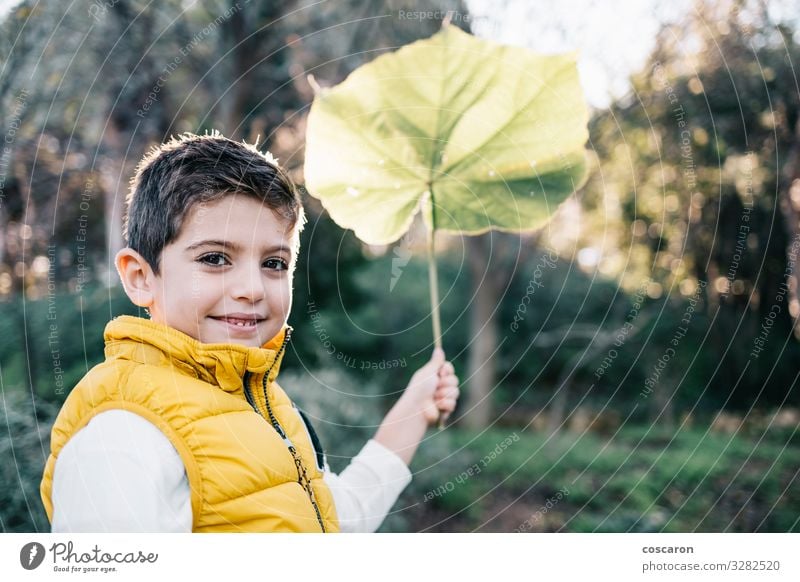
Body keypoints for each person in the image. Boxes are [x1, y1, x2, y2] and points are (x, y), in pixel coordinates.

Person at [39, 132, 460, 533]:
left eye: (274, 264)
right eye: (216, 258)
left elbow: (332, 523)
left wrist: (413, 410)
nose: (252, 289)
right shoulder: (124, 437)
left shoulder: (266, 405)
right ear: (140, 277)